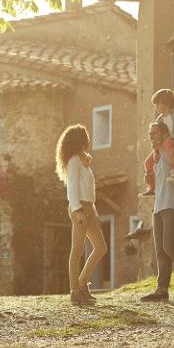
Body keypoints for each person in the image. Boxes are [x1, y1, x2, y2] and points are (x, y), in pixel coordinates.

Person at [141, 121, 174, 302]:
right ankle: (161, 289)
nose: (151, 138)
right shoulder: (155, 155)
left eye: (154, 134)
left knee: (169, 246)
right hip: (159, 206)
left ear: (164, 134)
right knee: (161, 251)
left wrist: (172, 160)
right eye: (150, 135)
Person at [55, 124, 108, 305]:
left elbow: (87, 187)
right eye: (85, 137)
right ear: (79, 140)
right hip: (79, 208)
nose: (88, 140)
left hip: (89, 207)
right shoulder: (73, 162)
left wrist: (91, 208)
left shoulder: (82, 160)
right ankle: (75, 290)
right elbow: (72, 187)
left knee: (101, 247)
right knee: (77, 251)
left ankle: (83, 282)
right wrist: (77, 210)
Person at [141, 89, 174, 196]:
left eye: (158, 104)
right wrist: (156, 146)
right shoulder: (159, 119)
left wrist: (171, 138)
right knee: (148, 162)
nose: (156, 107)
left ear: (167, 103)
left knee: (168, 145)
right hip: (163, 145)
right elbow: (157, 134)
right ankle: (152, 186)